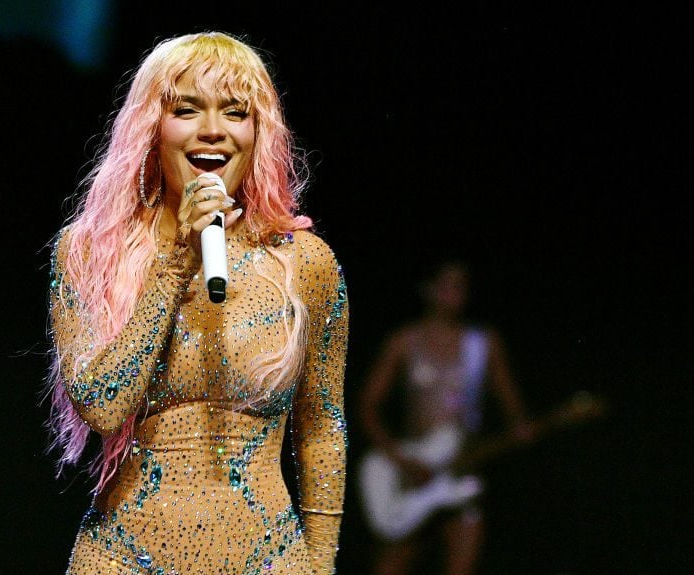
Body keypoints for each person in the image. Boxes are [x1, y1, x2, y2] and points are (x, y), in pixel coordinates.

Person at [44, 32, 349, 575]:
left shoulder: (305, 264)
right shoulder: (91, 252)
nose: (213, 129)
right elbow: (101, 404)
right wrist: (175, 263)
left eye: (236, 112)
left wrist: (320, 564)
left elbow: (322, 428)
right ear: (151, 127)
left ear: (258, 133)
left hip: (268, 559)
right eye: (187, 109)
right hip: (125, 558)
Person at [357, 260, 533, 575]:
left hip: (461, 473)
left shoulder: (483, 344)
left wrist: (520, 427)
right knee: (390, 564)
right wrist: (401, 460)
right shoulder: (404, 342)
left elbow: (513, 409)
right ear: (428, 288)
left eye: (462, 285)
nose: (457, 293)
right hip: (415, 471)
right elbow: (368, 407)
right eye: (448, 284)